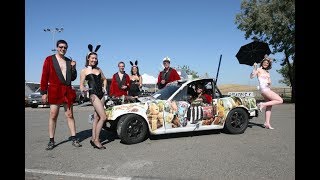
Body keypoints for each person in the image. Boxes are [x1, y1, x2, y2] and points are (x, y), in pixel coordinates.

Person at [40, 39, 82, 150]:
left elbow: (73, 78)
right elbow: (44, 76)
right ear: (57, 47)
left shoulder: (69, 61)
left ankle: (74, 138)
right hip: (54, 90)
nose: (63, 49)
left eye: (65, 47)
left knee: (70, 115)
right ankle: (51, 140)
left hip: (67, 91)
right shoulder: (49, 59)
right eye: (61, 47)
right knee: (53, 115)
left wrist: (73, 68)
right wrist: (44, 92)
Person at [80, 44, 107, 149]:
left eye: (96, 58)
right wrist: (83, 89)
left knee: (96, 117)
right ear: (88, 58)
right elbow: (81, 84)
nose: (94, 60)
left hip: (101, 94)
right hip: (93, 95)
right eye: (92, 58)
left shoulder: (99, 69)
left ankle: (93, 138)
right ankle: (96, 140)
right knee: (103, 117)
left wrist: (105, 87)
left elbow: (104, 79)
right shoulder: (84, 71)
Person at [250, 54, 283, 129]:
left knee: (269, 106)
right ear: (262, 63)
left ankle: (267, 123)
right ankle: (262, 104)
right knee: (280, 100)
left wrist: (269, 82)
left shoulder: (267, 72)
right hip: (264, 89)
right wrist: (255, 67)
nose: (266, 64)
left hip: (267, 89)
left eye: (267, 63)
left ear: (269, 64)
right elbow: (252, 77)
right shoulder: (258, 69)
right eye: (264, 62)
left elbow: (269, 82)